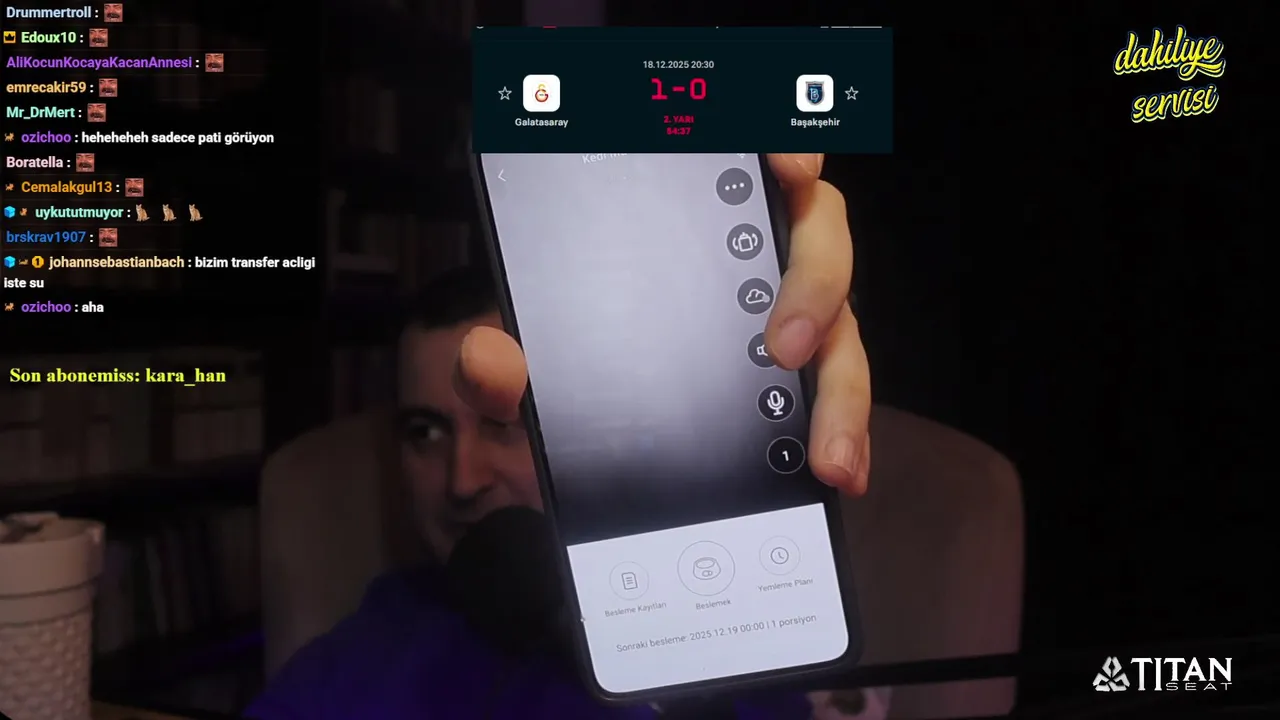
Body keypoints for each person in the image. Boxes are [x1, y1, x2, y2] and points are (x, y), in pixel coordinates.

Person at [246, 153, 874, 719]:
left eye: (506, 422)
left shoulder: (729, 631)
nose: (463, 481)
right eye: (425, 432)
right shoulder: (370, 642)